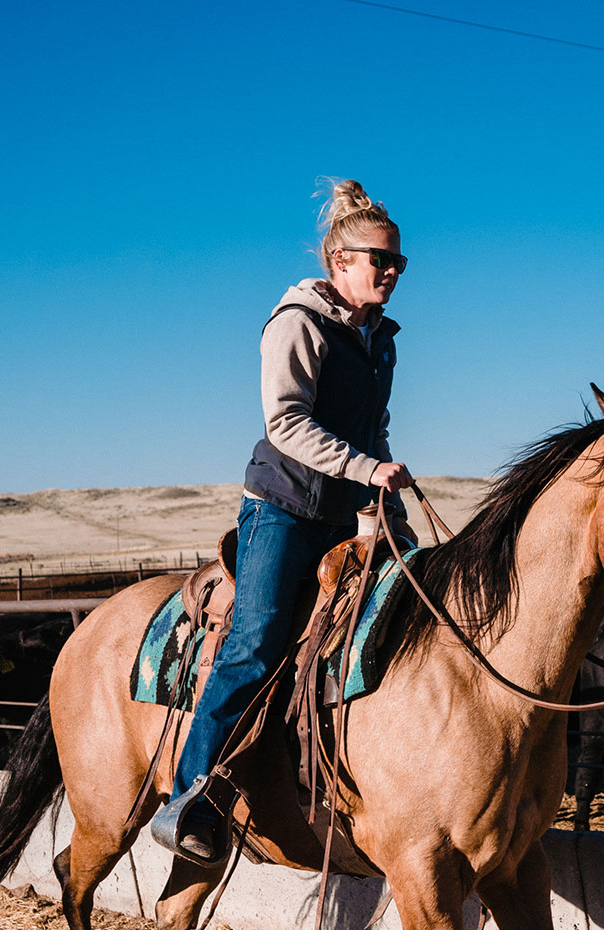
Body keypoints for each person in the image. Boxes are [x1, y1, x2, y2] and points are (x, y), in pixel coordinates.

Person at [151, 179, 412, 863]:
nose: (389, 271)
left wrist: (390, 501)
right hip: (284, 508)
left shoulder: (380, 340)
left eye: (398, 262)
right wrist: (366, 469)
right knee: (257, 639)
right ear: (339, 262)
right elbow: (286, 423)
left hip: (342, 512)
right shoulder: (298, 320)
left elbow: (372, 431)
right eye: (376, 259)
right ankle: (189, 801)